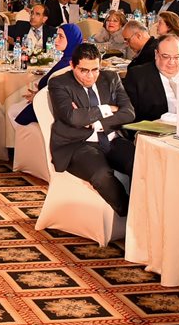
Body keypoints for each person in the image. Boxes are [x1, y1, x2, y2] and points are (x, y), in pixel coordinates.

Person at [47, 44, 137, 219]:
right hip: (77, 144)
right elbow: (73, 118)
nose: (90, 76)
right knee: (102, 175)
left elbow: (128, 113)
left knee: (140, 163)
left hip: (111, 138)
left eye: (95, 70)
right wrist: (107, 108)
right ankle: (131, 215)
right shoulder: (59, 83)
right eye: (84, 70)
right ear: (73, 65)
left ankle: (146, 211)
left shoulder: (111, 78)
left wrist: (94, 122)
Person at [12, 22, 85, 126]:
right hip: (46, 101)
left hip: (47, 106)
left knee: (12, 111)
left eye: (61, 37)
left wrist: (38, 96)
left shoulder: (68, 64)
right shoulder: (72, 59)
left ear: (71, 39)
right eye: (57, 36)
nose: (56, 40)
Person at [123, 35, 179, 123]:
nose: (171, 62)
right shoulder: (138, 76)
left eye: (176, 57)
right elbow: (129, 113)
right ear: (156, 54)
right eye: (166, 56)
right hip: (153, 128)